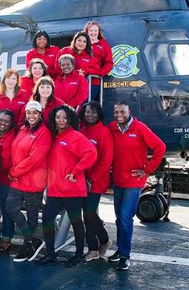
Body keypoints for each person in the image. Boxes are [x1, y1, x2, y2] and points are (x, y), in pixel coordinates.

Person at [107, 101, 166, 271]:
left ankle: (125, 256)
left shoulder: (139, 128)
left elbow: (160, 147)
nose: (119, 114)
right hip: (118, 181)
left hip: (133, 182)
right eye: (116, 111)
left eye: (122, 111)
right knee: (119, 218)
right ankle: (120, 250)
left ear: (129, 111)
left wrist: (147, 170)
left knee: (126, 217)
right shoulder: (112, 128)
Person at [37, 105, 96, 267]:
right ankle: (50, 254)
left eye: (64, 117)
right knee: (47, 218)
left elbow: (91, 152)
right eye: (58, 117)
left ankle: (78, 255)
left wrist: (75, 171)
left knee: (76, 222)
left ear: (70, 119)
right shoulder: (55, 137)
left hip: (72, 189)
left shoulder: (75, 136)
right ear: (53, 120)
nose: (61, 120)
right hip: (55, 190)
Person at [6, 101, 52, 262]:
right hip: (18, 179)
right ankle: (33, 240)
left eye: (35, 113)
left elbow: (35, 158)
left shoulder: (44, 132)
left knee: (32, 216)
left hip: (33, 180)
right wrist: (15, 171)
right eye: (28, 113)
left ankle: (27, 247)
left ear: (40, 115)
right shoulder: (23, 130)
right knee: (10, 207)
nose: (31, 116)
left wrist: (14, 171)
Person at [78, 101, 114, 261]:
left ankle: (104, 240)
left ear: (99, 114)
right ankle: (93, 248)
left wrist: (92, 179)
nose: (90, 115)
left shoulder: (103, 132)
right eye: (87, 112)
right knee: (86, 215)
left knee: (89, 213)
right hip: (81, 179)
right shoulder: (82, 130)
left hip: (96, 181)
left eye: (93, 112)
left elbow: (106, 160)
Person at [0, 109, 17, 254]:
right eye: (1, 120)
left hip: (5, 181)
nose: (3, 123)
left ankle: (6, 238)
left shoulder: (11, 138)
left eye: (6, 121)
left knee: (6, 210)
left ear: (11, 123)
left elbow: (7, 162)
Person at [84, 21, 113, 100]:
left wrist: (100, 73)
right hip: (79, 79)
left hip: (93, 80)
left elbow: (109, 63)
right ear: (87, 32)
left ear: (99, 32)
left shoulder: (104, 45)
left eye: (95, 30)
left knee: (86, 104)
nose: (93, 33)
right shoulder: (81, 43)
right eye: (91, 30)